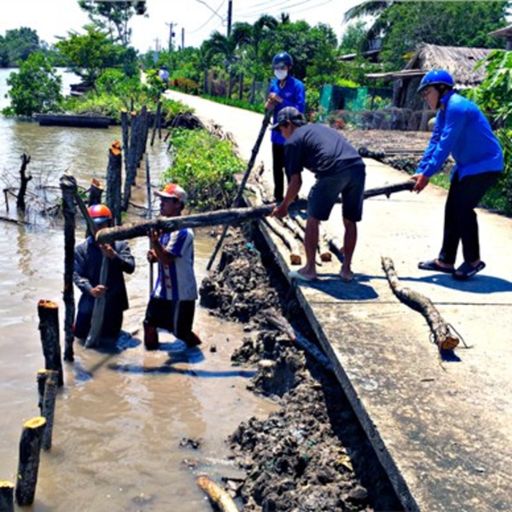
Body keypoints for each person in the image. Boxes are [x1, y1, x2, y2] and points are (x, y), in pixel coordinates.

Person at [413, 69, 504, 280]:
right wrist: (420, 171)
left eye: (427, 93)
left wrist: (427, 175)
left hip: (485, 165)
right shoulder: (443, 112)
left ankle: (473, 260)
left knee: (463, 209)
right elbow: (435, 142)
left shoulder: (457, 107)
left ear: (441, 88)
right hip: (466, 167)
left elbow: (446, 145)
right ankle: (445, 260)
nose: (425, 98)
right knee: (452, 209)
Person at [271, 107, 366, 282]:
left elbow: (296, 182)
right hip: (357, 167)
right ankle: (346, 270)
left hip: (333, 170)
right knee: (350, 220)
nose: (280, 133)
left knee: (313, 218)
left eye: (280, 129)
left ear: (289, 125)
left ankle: (309, 269)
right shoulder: (320, 128)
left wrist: (284, 206)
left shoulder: (292, 141)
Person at [143, 183, 202, 350]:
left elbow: (167, 258)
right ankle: (151, 361)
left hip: (181, 292)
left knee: (181, 332)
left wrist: (155, 244)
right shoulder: (164, 227)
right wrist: (154, 255)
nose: (161, 203)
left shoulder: (183, 232)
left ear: (178, 204)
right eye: (161, 200)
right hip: (163, 288)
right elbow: (161, 255)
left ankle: (198, 352)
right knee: (149, 324)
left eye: (166, 200)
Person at [73, 204, 135, 341]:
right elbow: (77, 275)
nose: (98, 230)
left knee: (110, 341)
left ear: (110, 224)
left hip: (113, 303)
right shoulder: (81, 249)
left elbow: (130, 267)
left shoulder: (120, 245)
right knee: (80, 338)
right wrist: (91, 289)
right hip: (89, 302)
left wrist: (113, 256)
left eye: (102, 225)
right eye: (95, 226)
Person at [265, 51, 305, 203]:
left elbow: (299, 108)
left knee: (291, 169)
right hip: (277, 133)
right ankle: (278, 196)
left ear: (289, 67)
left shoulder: (297, 86)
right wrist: (268, 104)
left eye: (282, 67)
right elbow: (269, 103)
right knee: (277, 168)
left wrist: (280, 100)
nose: (279, 70)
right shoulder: (274, 83)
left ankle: (292, 197)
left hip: (291, 135)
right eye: (276, 67)